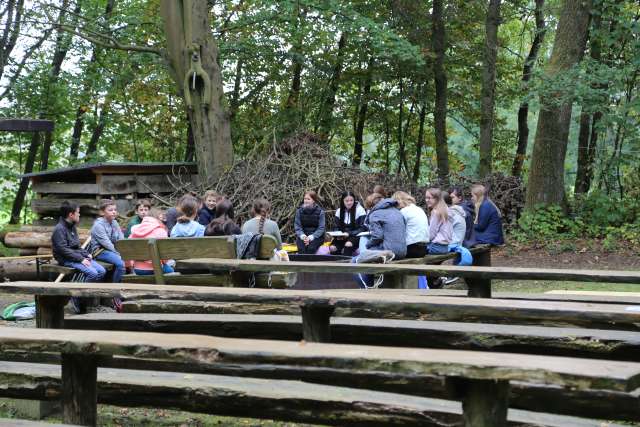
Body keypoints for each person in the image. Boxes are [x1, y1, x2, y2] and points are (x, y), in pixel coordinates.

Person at [51, 201, 106, 282]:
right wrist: (81, 259)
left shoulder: (72, 226)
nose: (79, 214)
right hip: (65, 259)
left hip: (76, 257)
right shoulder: (59, 229)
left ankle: (88, 292)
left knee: (102, 271)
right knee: (93, 273)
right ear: (71, 215)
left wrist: (86, 254)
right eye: (78, 212)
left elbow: (76, 247)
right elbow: (63, 250)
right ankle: (77, 294)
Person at [89, 199, 126, 283]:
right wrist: (119, 253)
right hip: (101, 251)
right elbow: (107, 244)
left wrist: (124, 250)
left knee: (129, 259)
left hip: (113, 250)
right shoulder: (98, 225)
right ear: (102, 213)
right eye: (110, 210)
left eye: (115, 210)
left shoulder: (115, 222)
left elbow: (121, 238)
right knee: (121, 264)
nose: (114, 212)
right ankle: (115, 288)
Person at [129, 208, 175, 275]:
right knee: (171, 269)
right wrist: (164, 262)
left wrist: (131, 265)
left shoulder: (135, 230)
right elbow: (165, 256)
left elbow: (129, 251)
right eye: (161, 219)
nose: (162, 221)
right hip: (155, 268)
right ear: (158, 218)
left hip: (137, 268)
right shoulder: (160, 231)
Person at [365, 195, 407, 260]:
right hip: (403, 252)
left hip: (389, 252)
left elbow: (377, 236)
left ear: (371, 207)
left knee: (364, 246)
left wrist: (368, 244)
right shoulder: (398, 212)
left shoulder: (374, 214)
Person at [392, 191, 429, 258]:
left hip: (412, 249)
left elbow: (397, 232)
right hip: (424, 248)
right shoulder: (419, 209)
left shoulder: (403, 212)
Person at [330, 191, 366, 256]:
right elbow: (335, 227)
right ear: (343, 201)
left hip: (355, 236)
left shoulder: (360, 210)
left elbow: (363, 228)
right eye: (347, 201)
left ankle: (346, 264)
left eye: (351, 200)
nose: (349, 203)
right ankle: (335, 265)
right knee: (332, 248)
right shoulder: (339, 211)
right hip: (341, 237)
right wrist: (338, 235)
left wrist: (349, 234)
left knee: (348, 244)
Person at [294, 190, 326, 254]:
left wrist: (311, 237)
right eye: (305, 199)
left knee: (311, 249)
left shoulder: (320, 212)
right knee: (301, 249)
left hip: (316, 237)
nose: (306, 200)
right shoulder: (299, 211)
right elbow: (297, 226)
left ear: (313, 200)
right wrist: (303, 236)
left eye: (308, 199)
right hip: (303, 236)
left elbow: (321, 228)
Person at [424, 188, 452, 254]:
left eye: (429, 198)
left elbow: (431, 234)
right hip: (445, 247)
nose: (426, 200)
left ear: (436, 199)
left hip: (435, 246)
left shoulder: (436, 212)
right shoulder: (446, 209)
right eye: (426, 198)